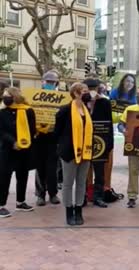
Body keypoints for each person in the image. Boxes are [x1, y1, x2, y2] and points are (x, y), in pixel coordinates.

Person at [54, 83, 93, 226]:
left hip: (86, 152)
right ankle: (69, 211)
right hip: (69, 152)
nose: (87, 93)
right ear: (76, 93)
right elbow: (57, 132)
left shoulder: (87, 109)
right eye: (84, 91)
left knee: (81, 183)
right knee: (68, 183)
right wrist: (61, 148)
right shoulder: (64, 110)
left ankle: (79, 210)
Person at [0, 87, 36, 218]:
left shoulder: (28, 110)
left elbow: (32, 130)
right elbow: (1, 131)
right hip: (7, 149)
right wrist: (13, 142)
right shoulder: (2, 111)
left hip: (24, 149)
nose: (5, 98)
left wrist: (24, 142)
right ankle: (1, 205)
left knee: (22, 175)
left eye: (7, 95)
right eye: (4, 95)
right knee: (4, 176)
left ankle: (20, 202)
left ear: (15, 96)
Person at [83, 78, 113, 208]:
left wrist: (109, 144)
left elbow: (109, 124)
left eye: (93, 88)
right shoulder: (80, 103)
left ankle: (98, 197)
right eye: (88, 89)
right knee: (83, 172)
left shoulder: (105, 102)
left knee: (99, 172)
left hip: (100, 143)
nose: (91, 91)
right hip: (83, 142)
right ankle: (82, 197)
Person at [35, 70, 61, 206]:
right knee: (39, 167)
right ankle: (40, 194)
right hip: (39, 136)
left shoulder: (61, 98)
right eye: (48, 81)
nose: (50, 84)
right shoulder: (35, 96)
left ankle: (53, 193)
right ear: (43, 82)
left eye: (53, 82)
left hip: (53, 138)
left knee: (53, 168)